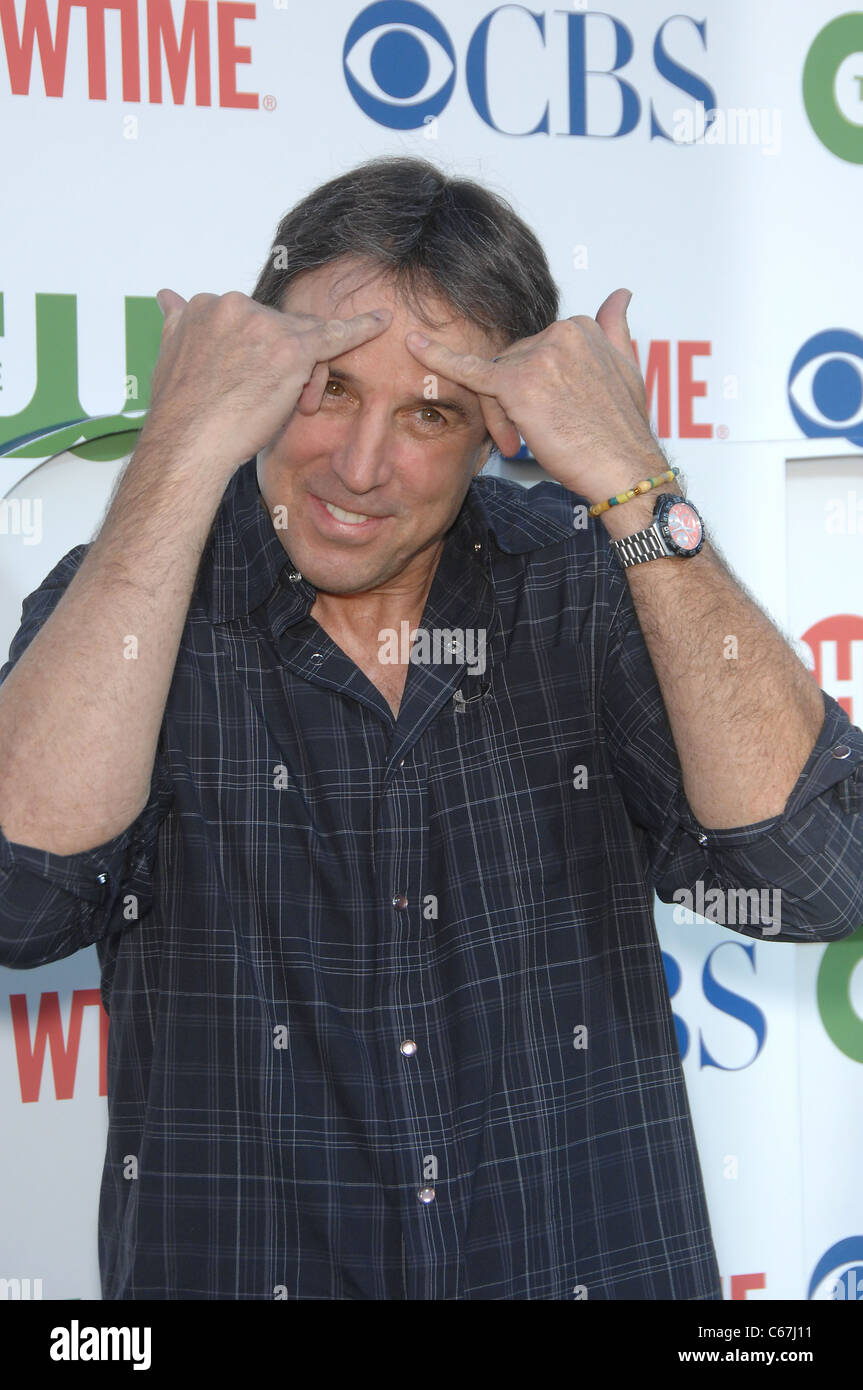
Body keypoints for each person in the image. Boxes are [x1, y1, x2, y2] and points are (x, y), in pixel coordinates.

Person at [0, 156, 861, 1302]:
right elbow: (21, 899)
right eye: (326, 388)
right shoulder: (134, 598)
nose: (358, 468)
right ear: (249, 369)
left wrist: (632, 482)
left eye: (427, 412)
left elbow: (813, 876)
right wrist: (176, 451)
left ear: (498, 425)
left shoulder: (587, 583)